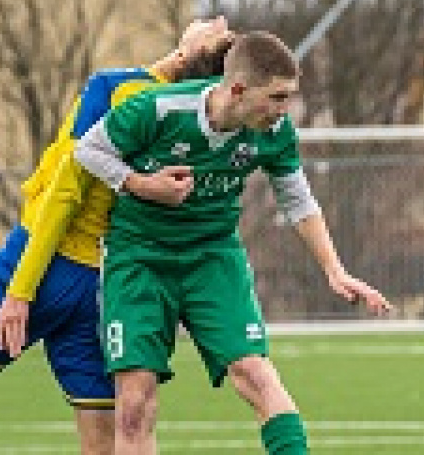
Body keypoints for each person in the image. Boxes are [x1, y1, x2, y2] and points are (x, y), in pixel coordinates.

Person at [0, 17, 235, 454]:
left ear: (190, 53)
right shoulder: (195, 124)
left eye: (212, 31)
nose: (216, 23)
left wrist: (20, 291)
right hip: (107, 282)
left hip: (43, 262)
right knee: (101, 444)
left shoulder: (114, 90)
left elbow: (65, 190)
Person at [74, 30, 393, 455]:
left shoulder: (274, 132)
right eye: (277, 98)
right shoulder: (159, 108)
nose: (284, 111)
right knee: (134, 406)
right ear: (238, 90)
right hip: (138, 260)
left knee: (257, 377)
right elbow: (88, 149)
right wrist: (140, 185)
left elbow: (298, 200)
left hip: (212, 259)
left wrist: (335, 270)